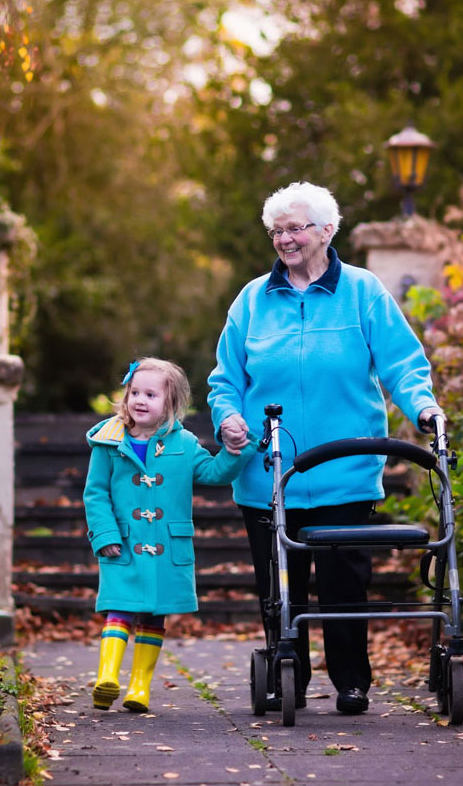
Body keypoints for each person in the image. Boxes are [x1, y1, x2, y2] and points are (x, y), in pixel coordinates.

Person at [207, 181, 442, 715]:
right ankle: (287, 670)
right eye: (277, 231)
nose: (285, 240)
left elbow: (402, 364)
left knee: (345, 582)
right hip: (268, 472)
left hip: (346, 466)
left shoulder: (363, 292)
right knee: (278, 584)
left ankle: (351, 682)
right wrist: (229, 419)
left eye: (295, 228)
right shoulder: (251, 300)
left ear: (326, 231)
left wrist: (424, 407)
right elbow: (226, 380)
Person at [84, 356, 257, 713]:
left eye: (151, 394)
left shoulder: (184, 443)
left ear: (171, 404)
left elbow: (213, 472)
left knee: (154, 615)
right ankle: (106, 676)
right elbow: (95, 493)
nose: (140, 400)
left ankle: (139, 688)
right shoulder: (108, 442)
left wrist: (238, 450)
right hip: (124, 543)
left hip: (165, 547)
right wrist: (104, 534)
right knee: (118, 607)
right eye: (134, 392)